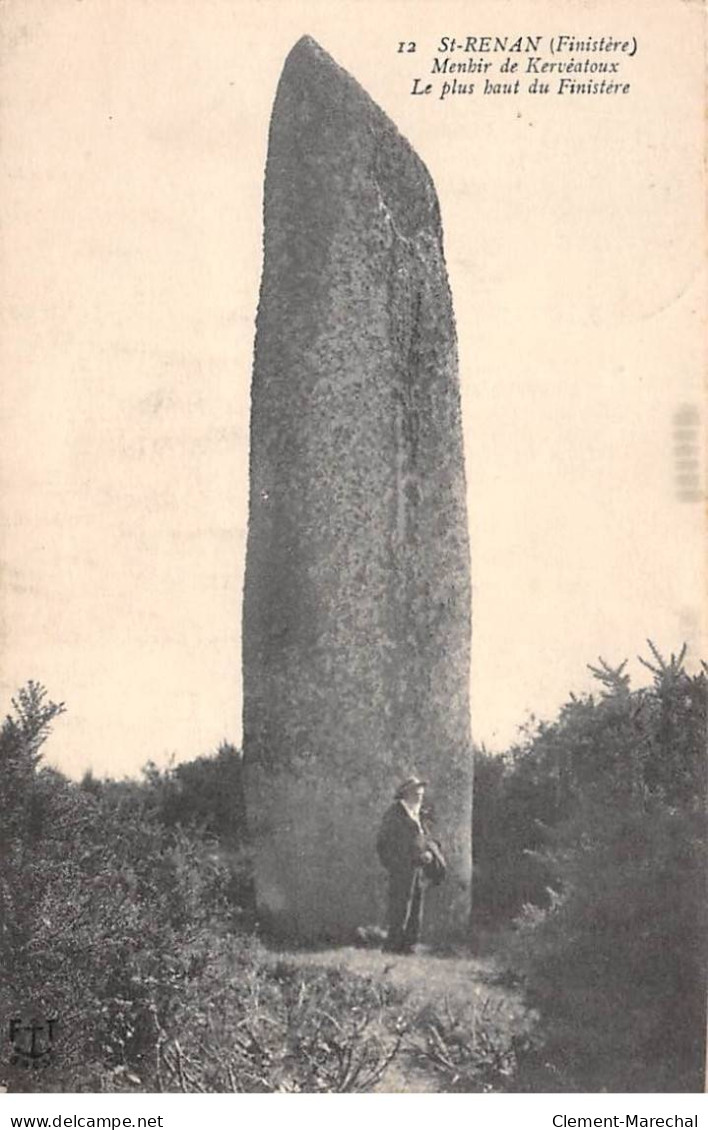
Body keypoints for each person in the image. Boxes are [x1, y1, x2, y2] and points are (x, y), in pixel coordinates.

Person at [376, 776, 446, 954]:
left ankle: (409, 946)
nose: (420, 796)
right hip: (402, 868)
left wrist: (430, 853)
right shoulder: (394, 815)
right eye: (416, 793)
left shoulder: (419, 815)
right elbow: (385, 844)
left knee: (416, 907)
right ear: (405, 793)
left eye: (421, 793)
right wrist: (400, 862)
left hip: (419, 869)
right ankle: (393, 946)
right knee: (400, 906)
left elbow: (429, 839)